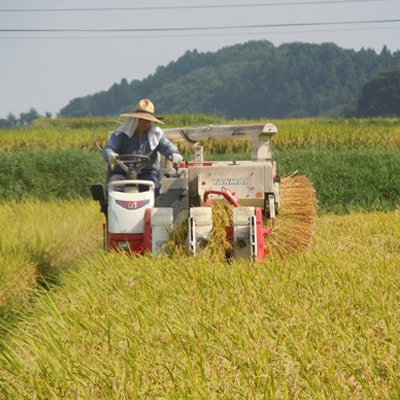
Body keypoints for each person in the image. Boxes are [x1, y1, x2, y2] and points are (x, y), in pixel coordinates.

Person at [103, 98, 183, 196]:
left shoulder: (156, 135)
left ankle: (149, 211)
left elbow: (167, 147)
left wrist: (174, 154)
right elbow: (109, 148)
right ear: (135, 119)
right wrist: (111, 155)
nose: (145, 123)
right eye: (142, 120)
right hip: (122, 173)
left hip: (147, 173)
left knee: (153, 189)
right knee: (113, 188)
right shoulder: (121, 134)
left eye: (148, 120)